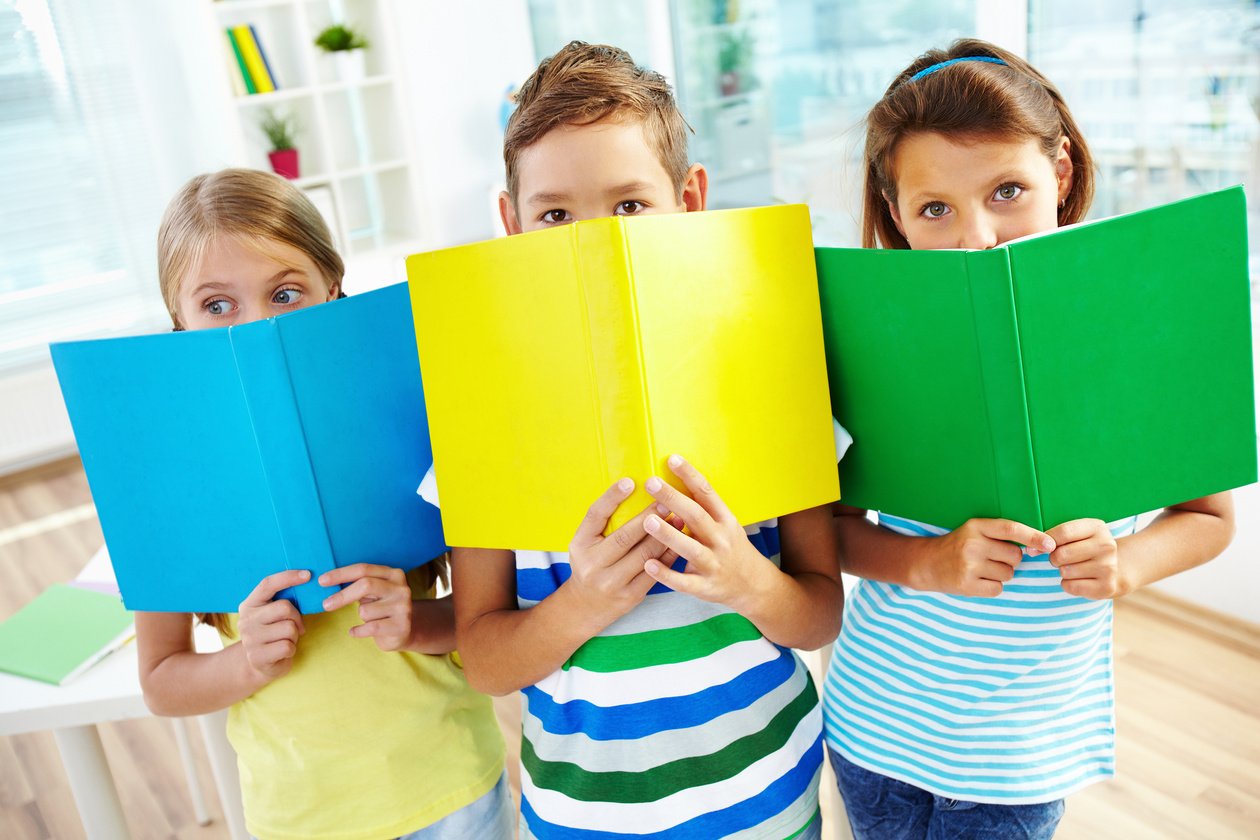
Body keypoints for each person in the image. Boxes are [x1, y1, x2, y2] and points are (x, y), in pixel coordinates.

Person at [823, 39, 1237, 840]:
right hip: (873, 724)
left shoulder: (1132, 333)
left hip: (1015, 758)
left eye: (1008, 189)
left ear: (1064, 172)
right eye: (935, 209)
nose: (977, 235)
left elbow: (1210, 517)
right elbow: (825, 526)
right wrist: (925, 561)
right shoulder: (878, 339)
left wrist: (1127, 563)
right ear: (897, 212)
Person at [431, 42, 846, 839]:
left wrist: (746, 581)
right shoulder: (480, 411)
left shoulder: (768, 373)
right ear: (511, 223)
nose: (597, 243)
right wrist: (581, 603)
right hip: (587, 817)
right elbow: (484, 661)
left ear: (689, 200)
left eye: (628, 206)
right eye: (556, 215)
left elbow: (819, 613)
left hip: (771, 800)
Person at [136, 168, 512, 840]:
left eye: (285, 293)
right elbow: (162, 681)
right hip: (302, 817)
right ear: (178, 324)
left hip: (451, 788)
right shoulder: (166, 478)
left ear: (334, 293)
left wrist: (415, 621)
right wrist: (243, 660)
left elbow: (486, 621)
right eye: (217, 305)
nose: (258, 326)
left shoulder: (411, 418)